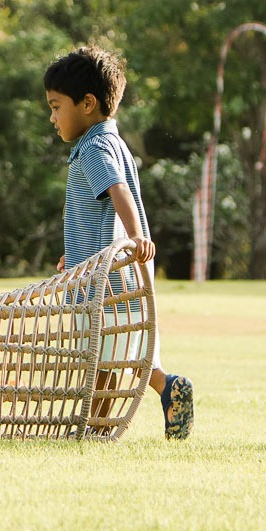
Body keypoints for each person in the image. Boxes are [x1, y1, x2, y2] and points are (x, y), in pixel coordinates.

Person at [46, 45, 195, 440]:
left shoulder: (93, 148)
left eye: (57, 106)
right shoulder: (113, 141)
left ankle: (90, 430)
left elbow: (117, 191)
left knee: (102, 359)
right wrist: (75, 252)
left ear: (88, 103)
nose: (52, 116)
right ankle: (164, 389)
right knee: (122, 358)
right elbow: (97, 214)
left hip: (107, 282)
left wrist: (136, 237)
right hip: (123, 276)